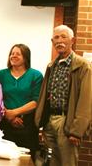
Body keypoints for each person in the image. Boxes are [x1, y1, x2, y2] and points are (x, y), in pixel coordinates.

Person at [34, 25, 92, 166]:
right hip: (50, 122)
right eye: (56, 37)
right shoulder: (51, 66)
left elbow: (86, 100)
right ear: (52, 41)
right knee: (53, 162)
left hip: (67, 122)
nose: (59, 41)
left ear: (73, 40)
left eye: (63, 37)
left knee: (67, 163)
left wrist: (77, 130)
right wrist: (41, 122)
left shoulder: (83, 66)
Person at [0, 44, 43, 157]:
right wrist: (8, 116)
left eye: (18, 54)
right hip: (5, 124)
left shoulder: (36, 75)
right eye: (12, 53)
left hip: (27, 125)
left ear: (26, 57)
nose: (13, 56)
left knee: (25, 159)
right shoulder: (1, 74)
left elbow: (36, 101)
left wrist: (14, 113)